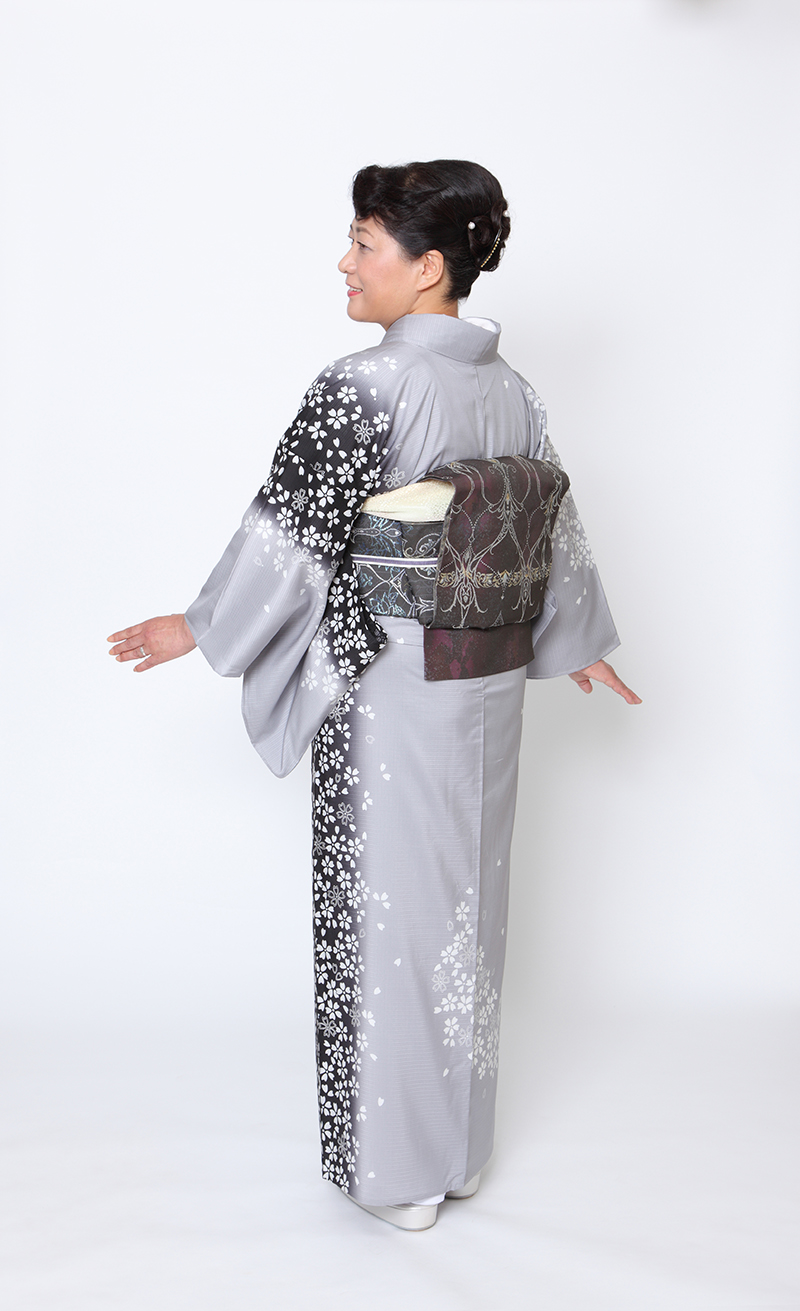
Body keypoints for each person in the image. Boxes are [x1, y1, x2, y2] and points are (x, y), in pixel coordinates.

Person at [108, 160, 640, 1232]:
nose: (344, 264)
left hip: (392, 682)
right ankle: (459, 1155)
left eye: (362, 243)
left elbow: (294, 529)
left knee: (389, 913)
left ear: (427, 265)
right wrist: (575, 640)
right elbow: (550, 526)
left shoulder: (366, 382)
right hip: (488, 676)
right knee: (464, 910)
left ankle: (398, 1172)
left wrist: (201, 628)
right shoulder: (513, 389)